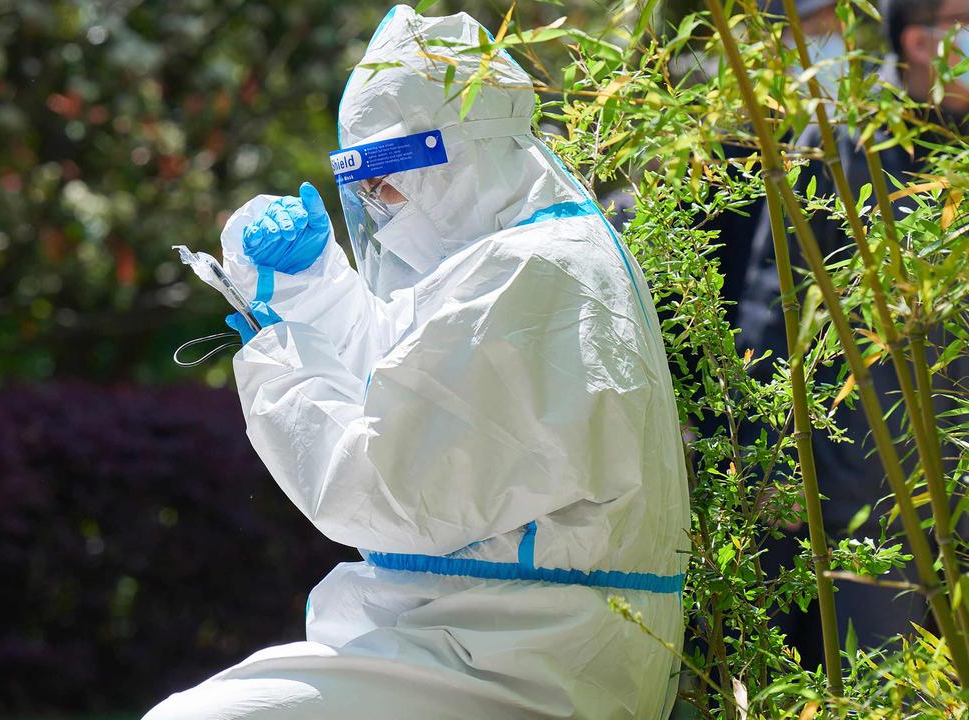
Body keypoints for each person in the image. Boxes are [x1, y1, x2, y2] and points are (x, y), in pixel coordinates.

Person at [144, 6, 689, 719]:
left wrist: (277, 359)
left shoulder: (537, 277)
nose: (379, 203)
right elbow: (406, 379)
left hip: (527, 660)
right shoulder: (505, 260)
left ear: (463, 150)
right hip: (474, 633)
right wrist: (316, 288)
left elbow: (386, 492)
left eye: (387, 179)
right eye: (364, 187)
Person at [737, 0, 969, 666]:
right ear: (922, 42)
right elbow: (775, 309)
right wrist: (771, 469)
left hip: (961, 493)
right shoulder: (849, 148)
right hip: (878, 502)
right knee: (871, 680)